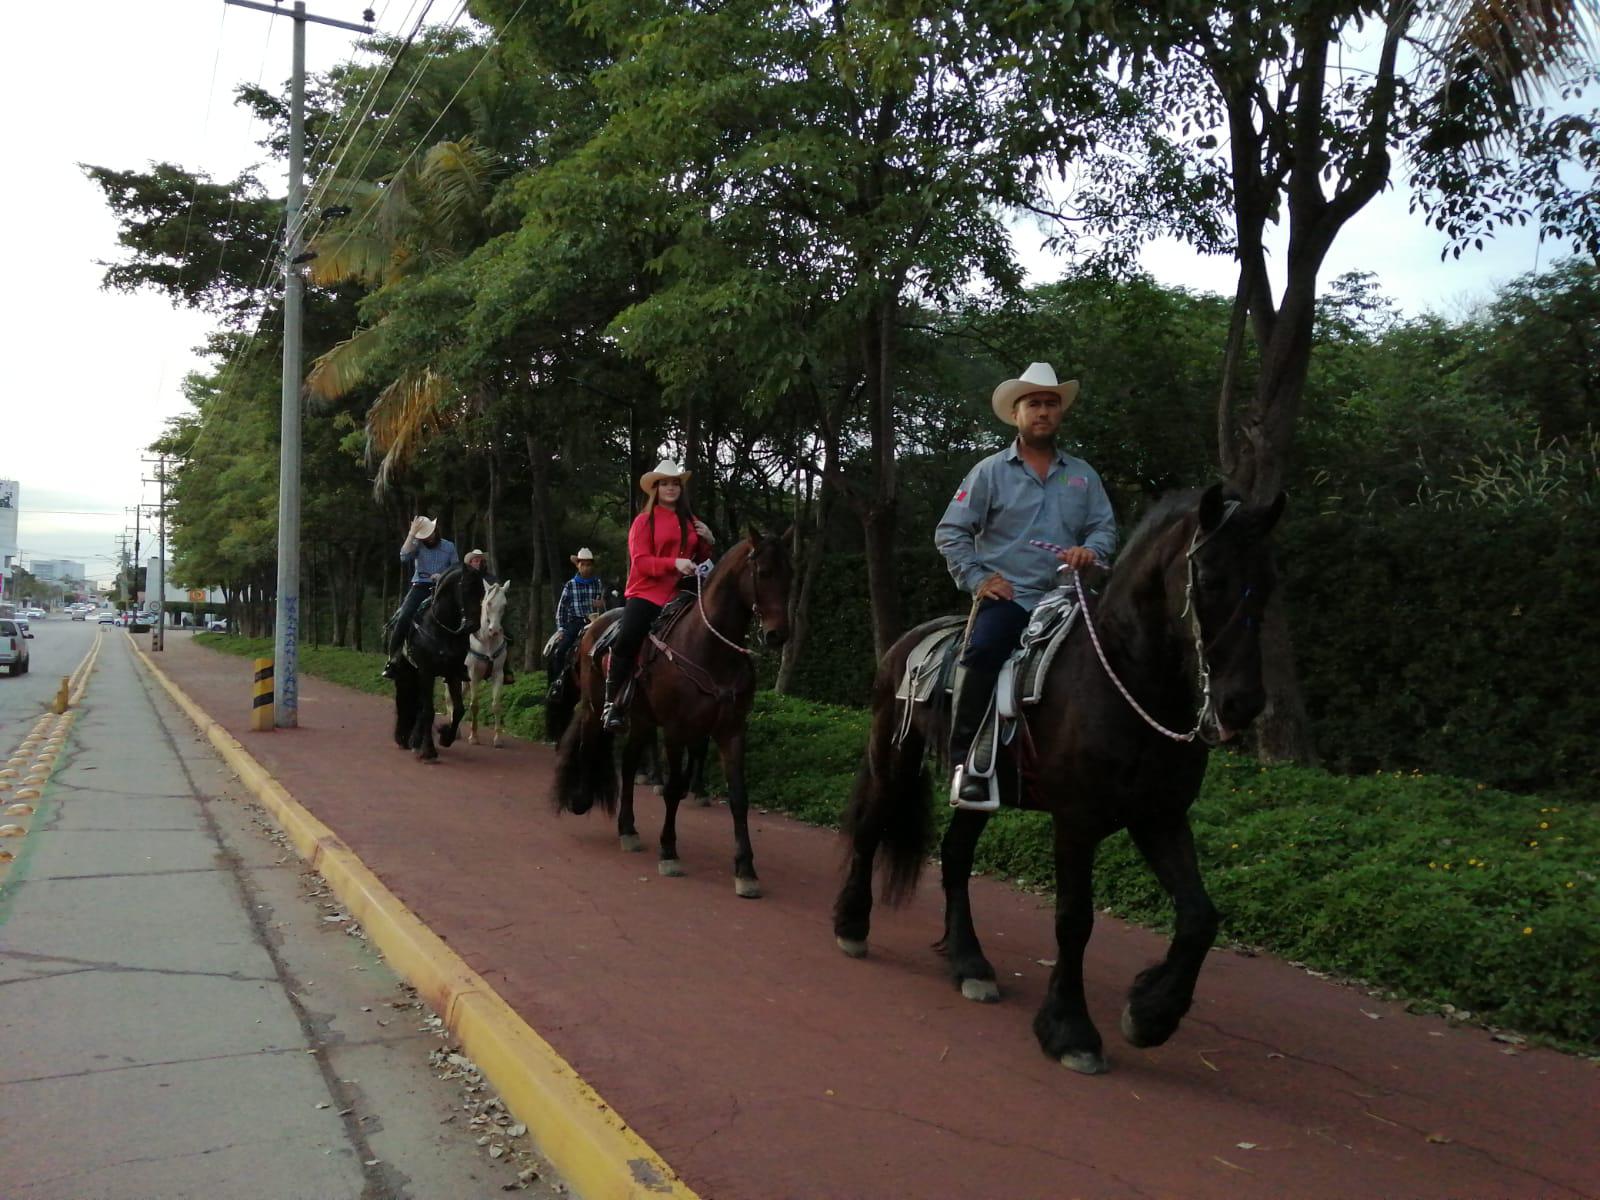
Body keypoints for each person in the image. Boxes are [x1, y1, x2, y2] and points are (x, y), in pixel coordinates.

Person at [934, 362, 1118, 810]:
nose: (1043, 411)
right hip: (1012, 596)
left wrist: (1089, 551)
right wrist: (980, 579)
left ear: (1060, 413)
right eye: (1034, 403)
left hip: (1069, 598)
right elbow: (951, 532)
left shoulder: (1083, 475)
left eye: (1051, 404)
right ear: (1015, 414)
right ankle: (966, 764)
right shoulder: (989, 472)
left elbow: (1104, 528)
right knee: (984, 649)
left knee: (1120, 650)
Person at [602, 460, 716, 730]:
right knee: (627, 638)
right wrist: (673, 563)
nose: (670, 488)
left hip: (681, 592)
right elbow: (641, 562)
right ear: (655, 489)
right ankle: (612, 703)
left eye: (675, 483)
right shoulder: (643, 521)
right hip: (646, 592)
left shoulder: (691, 522)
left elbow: (701, 559)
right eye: (665, 484)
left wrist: (708, 541)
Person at [381, 515, 460, 679]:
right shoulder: (417, 545)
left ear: (436, 531)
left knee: (463, 614)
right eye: (424, 536)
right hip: (420, 587)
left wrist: (442, 576)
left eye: (430, 534)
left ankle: (463, 660)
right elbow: (404, 557)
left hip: (443, 587)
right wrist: (411, 534)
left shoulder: (449, 546)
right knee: (404, 616)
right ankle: (393, 659)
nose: (428, 539)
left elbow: (456, 568)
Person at [551, 547, 606, 693]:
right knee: (561, 650)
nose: (586, 568)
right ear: (578, 565)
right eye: (583, 564)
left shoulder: (597, 583)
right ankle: (557, 683)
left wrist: (602, 604)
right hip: (576, 622)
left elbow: (604, 604)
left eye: (589, 565)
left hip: (595, 621)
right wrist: (561, 629)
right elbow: (561, 609)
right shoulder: (570, 585)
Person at [462, 548, 514, 683]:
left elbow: (499, 594)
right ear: (470, 563)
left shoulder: (491, 578)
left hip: (492, 615)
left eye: (480, 560)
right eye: (475, 560)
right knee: (461, 635)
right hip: (472, 613)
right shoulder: (466, 579)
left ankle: (506, 668)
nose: (478, 563)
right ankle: (461, 667)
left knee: (508, 636)